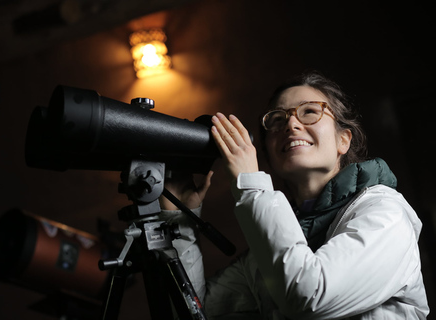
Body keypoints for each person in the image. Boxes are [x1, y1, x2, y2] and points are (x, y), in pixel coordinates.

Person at [159, 71, 429, 319]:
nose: (291, 124)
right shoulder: (264, 253)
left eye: (310, 111)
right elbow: (193, 311)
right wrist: (179, 219)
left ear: (343, 140)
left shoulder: (384, 212)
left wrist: (251, 184)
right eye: (277, 119)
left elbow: (310, 296)